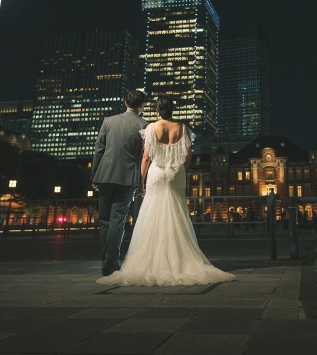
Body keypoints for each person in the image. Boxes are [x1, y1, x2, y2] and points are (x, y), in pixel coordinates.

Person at [97, 95, 235, 286]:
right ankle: (178, 260)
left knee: (152, 215)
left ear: (156, 110)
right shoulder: (183, 128)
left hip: (157, 173)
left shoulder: (151, 127)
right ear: (172, 110)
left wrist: (141, 180)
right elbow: (188, 156)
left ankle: (152, 260)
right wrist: (180, 169)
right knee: (177, 213)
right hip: (176, 174)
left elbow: (146, 157)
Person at [91, 89, 148, 277]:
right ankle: (111, 264)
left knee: (104, 221)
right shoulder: (144, 125)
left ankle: (106, 262)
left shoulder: (109, 121)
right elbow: (144, 156)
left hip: (104, 175)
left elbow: (99, 149)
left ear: (125, 102)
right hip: (127, 177)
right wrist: (142, 181)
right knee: (118, 221)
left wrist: (94, 175)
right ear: (142, 106)